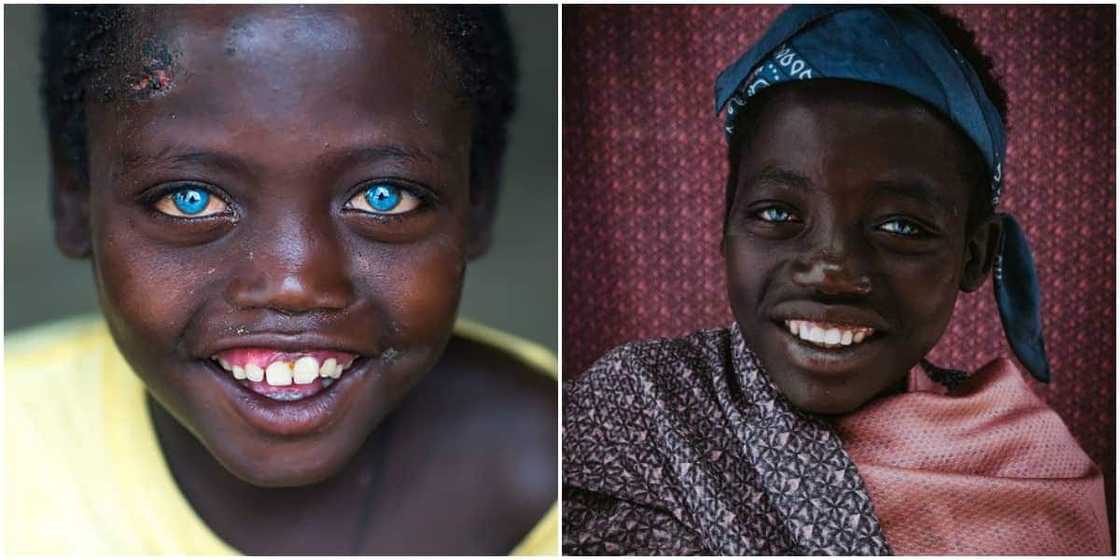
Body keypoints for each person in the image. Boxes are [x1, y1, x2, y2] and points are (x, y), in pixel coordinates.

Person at [6, 5, 557, 555]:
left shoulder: (595, 476)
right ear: (74, 199)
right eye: (189, 199)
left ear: (476, 201)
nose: (294, 285)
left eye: (383, 196)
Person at [562, 5, 1110, 555]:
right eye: (778, 214)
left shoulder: (1032, 472)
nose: (833, 270)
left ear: (974, 256)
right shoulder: (641, 410)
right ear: (727, 221)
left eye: (900, 226)